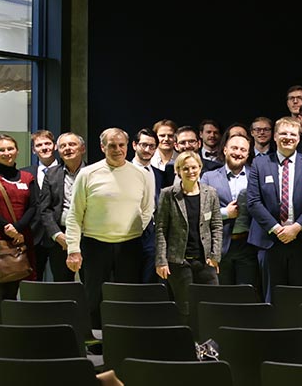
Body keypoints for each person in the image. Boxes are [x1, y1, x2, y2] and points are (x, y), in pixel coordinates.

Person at [66, 128, 156, 325]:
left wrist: (130, 230)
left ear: (127, 146)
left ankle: (125, 338)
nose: (117, 150)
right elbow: (74, 214)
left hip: (130, 246)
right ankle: (96, 343)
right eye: (112, 145)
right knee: (94, 299)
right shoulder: (87, 174)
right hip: (94, 245)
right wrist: (73, 250)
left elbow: (147, 209)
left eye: (121, 145)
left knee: (127, 298)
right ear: (102, 147)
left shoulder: (142, 175)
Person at [245, 116, 302, 300]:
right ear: (274, 136)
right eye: (283, 133)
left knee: (301, 296)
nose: (288, 137)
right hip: (270, 241)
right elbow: (253, 201)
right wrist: (277, 229)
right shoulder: (260, 163)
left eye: (292, 134)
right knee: (272, 297)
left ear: (298, 138)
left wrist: (296, 228)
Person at [154, 151, 223, 318]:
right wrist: (161, 260)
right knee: (185, 308)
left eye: (194, 167)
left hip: (205, 260)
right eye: (186, 168)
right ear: (178, 171)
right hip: (179, 261)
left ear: (200, 168)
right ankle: (187, 342)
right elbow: (161, 228)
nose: (191, 171)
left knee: (210, 306)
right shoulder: (168, 194)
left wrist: (215, 256)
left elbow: (216, 225)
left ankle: (207, 343)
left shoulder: (210, 193)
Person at [0, 134, 40, 295]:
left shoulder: (27, 178)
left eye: (10, 148)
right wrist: (6, 228)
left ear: (17, 151)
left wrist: (17, 228)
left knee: (25, 283)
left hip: (22, 238)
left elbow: (33, 206)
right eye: (1, 150)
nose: (7, 153)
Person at [202, 130, 260, 291]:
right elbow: (200, 213)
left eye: (243, 150)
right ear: (225, 150)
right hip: (220, 246)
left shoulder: (256, 176)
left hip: (249, 245)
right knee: (222, 295)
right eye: (234, 148)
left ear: (248, 154)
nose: (238, 153)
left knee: (247, 293)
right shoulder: (208, 177)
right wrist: (225, 213)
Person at [38, 131, 86, 282]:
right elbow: (44, 209)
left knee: (91, 283)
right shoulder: (51, 174)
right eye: (63, 146)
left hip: (89, 236)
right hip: (61, 237)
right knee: (62, 284)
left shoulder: (94, 173)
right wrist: (57, 235)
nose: (67, 148)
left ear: (82, 148)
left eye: (72, 144)